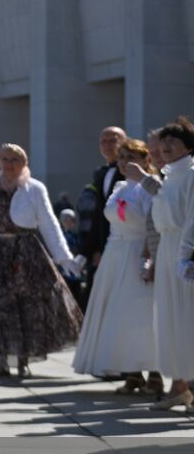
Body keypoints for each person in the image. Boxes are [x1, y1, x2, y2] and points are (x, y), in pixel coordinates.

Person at [0, 143, 83, 378]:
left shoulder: (35, 189)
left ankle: (22, 360)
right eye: (5, 159)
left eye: (15, 160)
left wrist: (64, 257)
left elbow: (49, 223)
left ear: (24, 163)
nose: (9, 164)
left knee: (26, 307)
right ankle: (0, 360)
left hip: (25, 252)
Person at [72, 138, 160, 394]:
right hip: (115, 253)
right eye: (121, 158)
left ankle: (154, 371)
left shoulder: (148, 188)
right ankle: (132, 372)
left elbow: (151, 224)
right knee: (118, 313)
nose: (124, 163)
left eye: (131, 158)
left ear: (146, 161)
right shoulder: (119, 187)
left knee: (142, 313)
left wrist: (148, 256)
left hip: (137, 251)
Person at [151, 117, 194, 410]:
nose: (165, 147)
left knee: (187, 319)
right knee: (171, 319)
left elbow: (192, 217)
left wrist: (185, 254)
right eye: (163, 142)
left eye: (172, 142)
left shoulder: (191, 174)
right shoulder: (169, 176)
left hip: (183, 249)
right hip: (167, 247)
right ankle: (178, 385)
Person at [76, 126, 127, 309]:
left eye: (113, 140)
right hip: (104, 248)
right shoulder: (101, 173)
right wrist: (89, 250)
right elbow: (99, 216)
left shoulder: (130, 173)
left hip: (125, 246)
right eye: (103, 141)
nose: (107, 145)